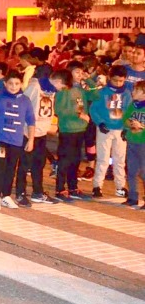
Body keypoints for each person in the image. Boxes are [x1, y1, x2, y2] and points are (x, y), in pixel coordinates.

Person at [0, 70, 36, 210]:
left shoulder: (25, 100)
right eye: (11, 83)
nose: (13, 86)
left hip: (16, 141)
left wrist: (31, 140)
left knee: (10, 168)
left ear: (21, 84)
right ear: (5, 84)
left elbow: (31, 122)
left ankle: (6, 196)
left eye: (17, 83)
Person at [89, 64, 131, 198]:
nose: (118, 84)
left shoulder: (126, 93)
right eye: (115, 80)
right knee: (103, 159)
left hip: (120, 130)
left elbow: (129, 111)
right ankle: (97, 186)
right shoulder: (102, 92)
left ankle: (120, 186)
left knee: (120, 160)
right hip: (105, 129)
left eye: (121, 81)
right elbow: (93, 109)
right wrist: (100, 122)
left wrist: (127, 128)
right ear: (109, 78)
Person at [19, 67, 59, 204]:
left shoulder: (51, 90)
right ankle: (20, 193)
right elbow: (25, 106)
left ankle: (38, 192)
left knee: (39, 163)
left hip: (42, 131)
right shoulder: (35, 87)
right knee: (25, 164)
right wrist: (27, 130)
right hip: (29, 131)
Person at [53, 66, 89, 201]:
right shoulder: (64, 91)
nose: (80, 75)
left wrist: (89, 79)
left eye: (82, 72)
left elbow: (95, 95)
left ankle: (73, 187)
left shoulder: (80, 90)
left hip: (80, 129)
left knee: (76, 160)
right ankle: (60, 189)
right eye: (77, 72)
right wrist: (79, 115)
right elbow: (59, 110)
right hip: (68, 130)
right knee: (65, 160)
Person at [123, 81, 145, 208]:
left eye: (136, 90)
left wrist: (141, 126)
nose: (133, 92)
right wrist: (130, 123)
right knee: (131, 170)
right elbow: (125, 118)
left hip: (143, 143)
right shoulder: (133, 105)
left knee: (144, 172)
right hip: (132, 141)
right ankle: (132, 197)